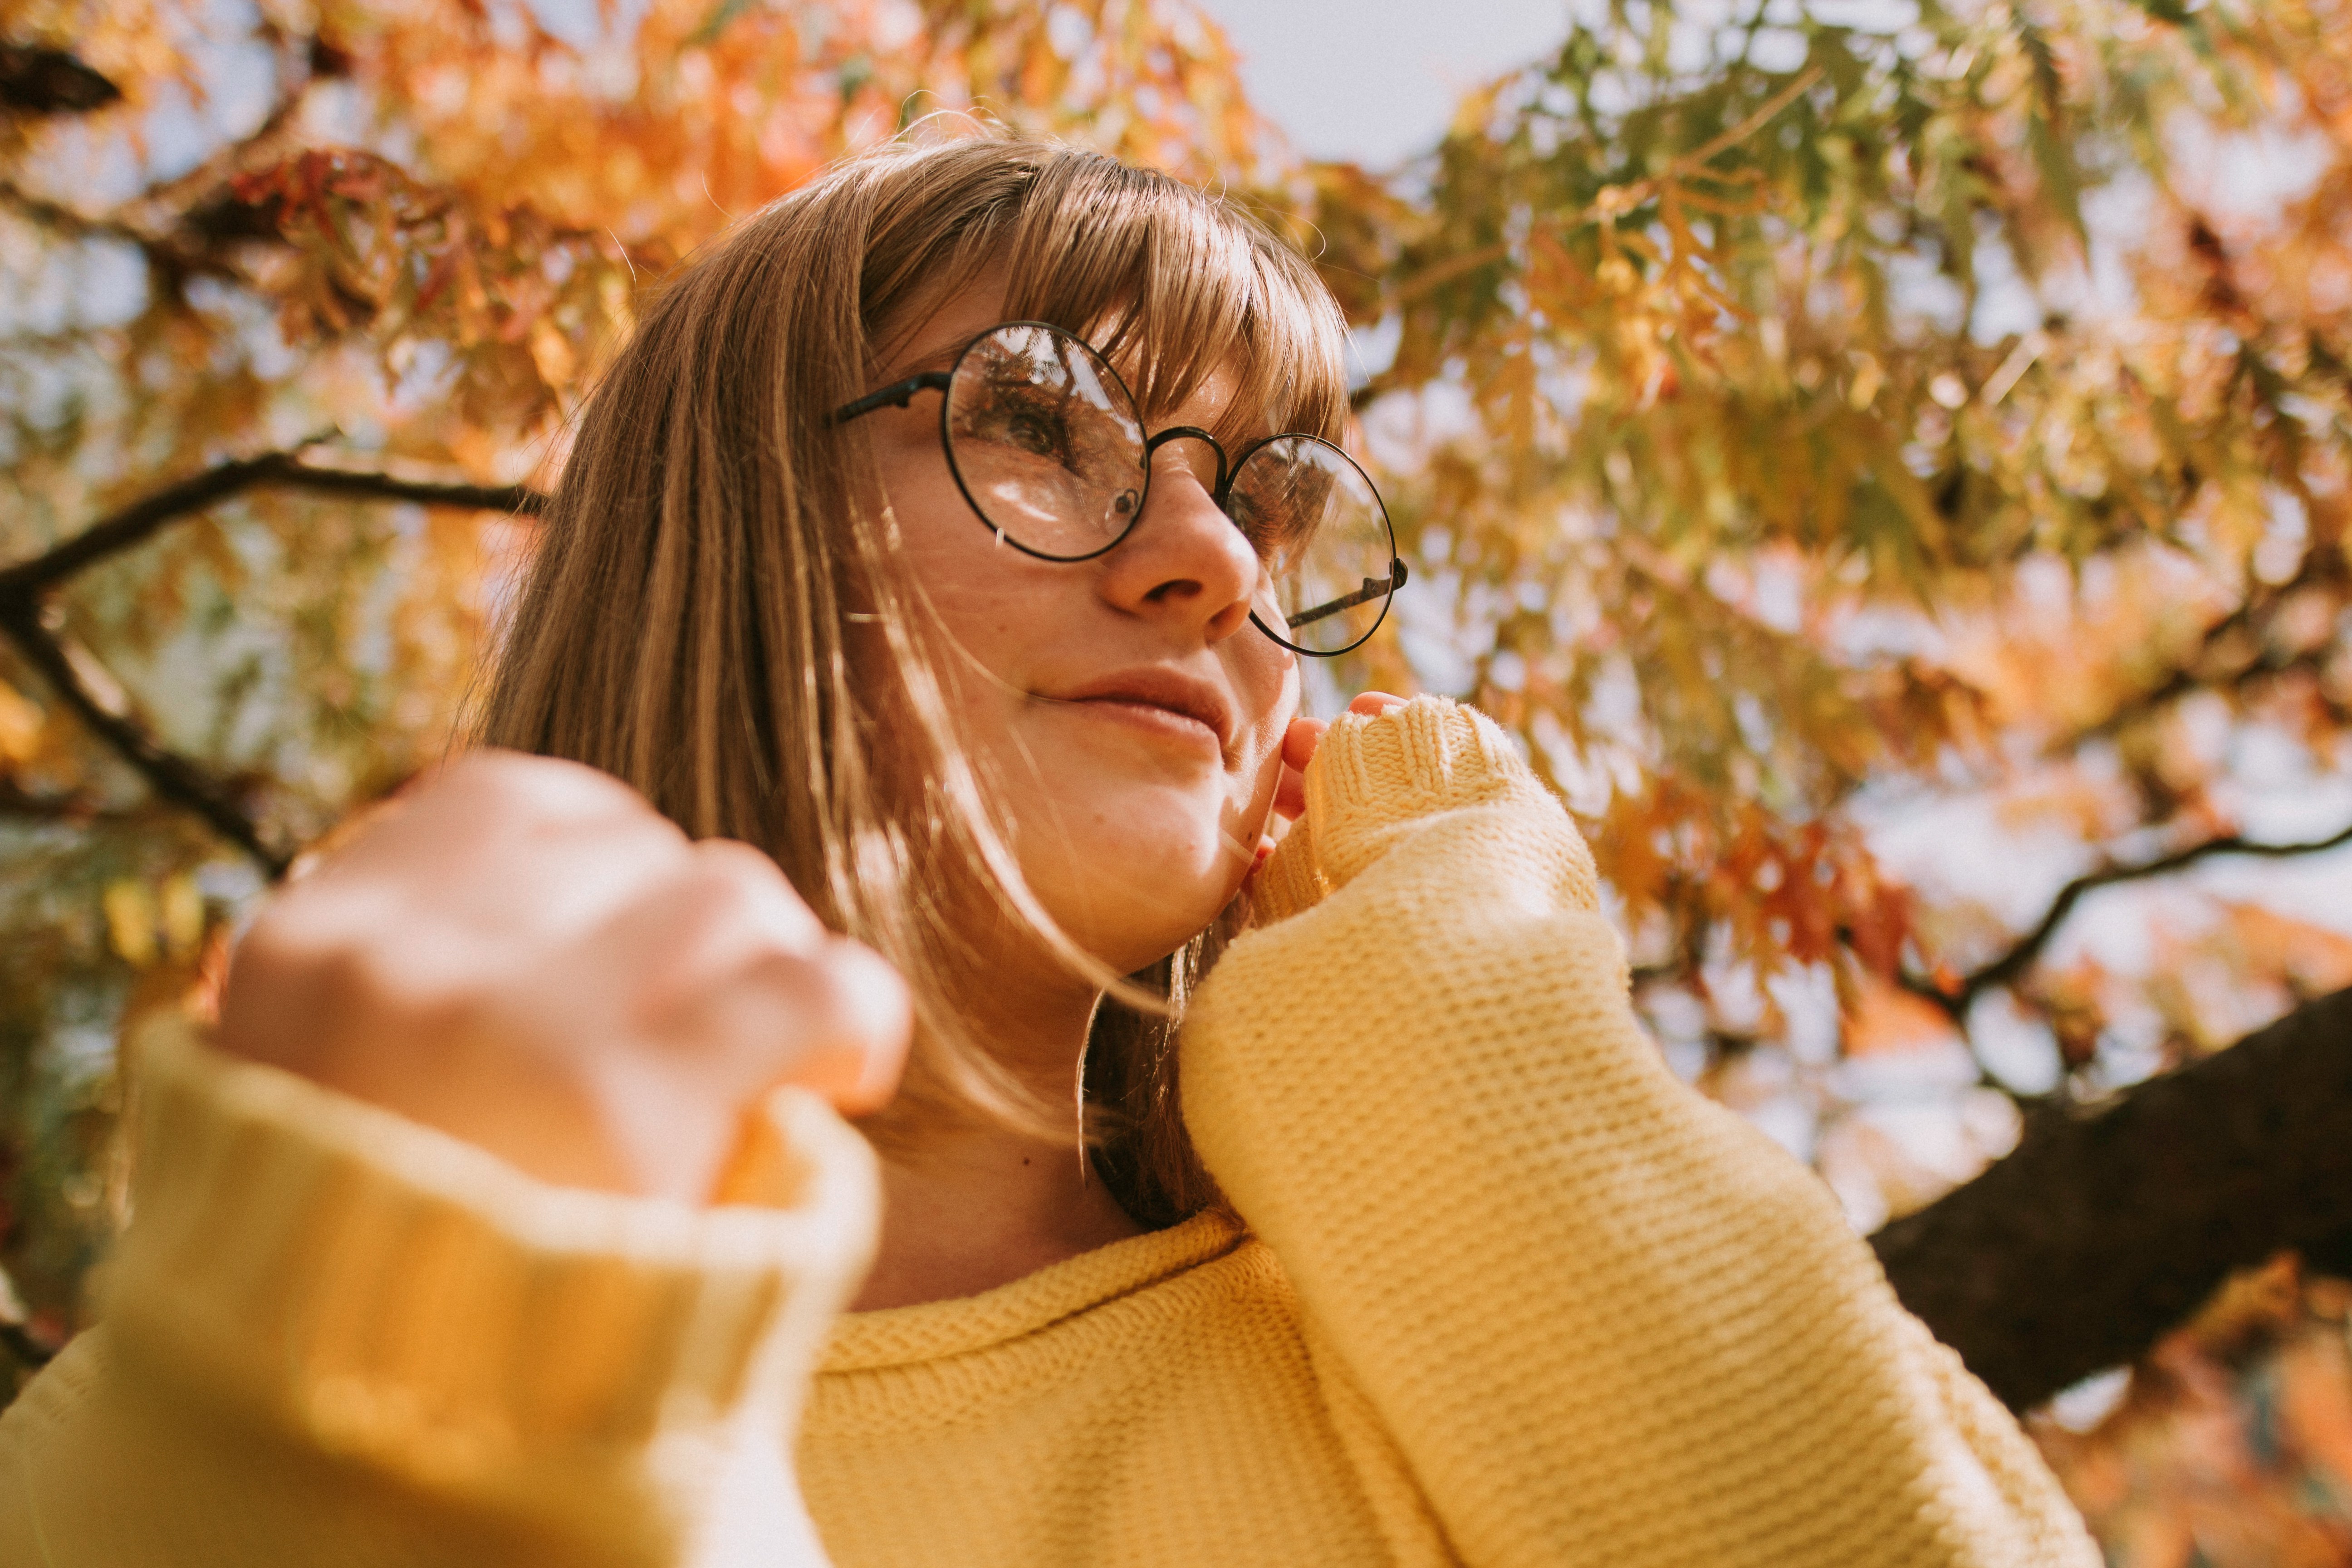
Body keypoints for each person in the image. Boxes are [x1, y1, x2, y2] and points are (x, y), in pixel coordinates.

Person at [0, 133, 2099, 1568]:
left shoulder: (1477, 1284)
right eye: (1034, 417)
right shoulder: (229, 1404)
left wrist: (1444, 1018)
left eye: (1271, 499)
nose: (1207, 555)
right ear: (731, 524)